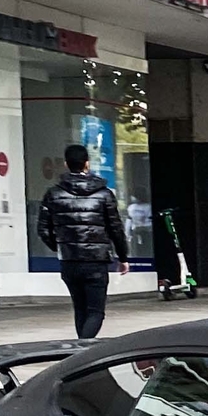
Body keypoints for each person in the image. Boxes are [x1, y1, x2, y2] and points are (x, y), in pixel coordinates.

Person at [35, 143, 127, 339]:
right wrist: (123, 257)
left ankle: (81, 349)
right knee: (96, 312)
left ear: (67, 164)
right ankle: (82, 351)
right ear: (87, 164)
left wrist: (61, 246)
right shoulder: (104, 194)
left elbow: (42, 229)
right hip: (96, 261)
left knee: (80, 309)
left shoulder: (54, 194)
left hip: (70, 262)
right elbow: (116, 229)